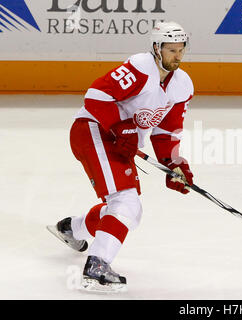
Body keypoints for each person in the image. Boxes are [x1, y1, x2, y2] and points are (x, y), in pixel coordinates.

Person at [47, 21, 194, 293]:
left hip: (118, 141)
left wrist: (174, 164)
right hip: (93, 130)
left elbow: (166, 132)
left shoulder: (182, 85)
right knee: (125, 202)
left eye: (181, 50)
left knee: (129, 210)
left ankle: (72, 229)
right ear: (156, 48)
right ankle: (97, 266)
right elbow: (96, 95)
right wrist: (120, 126)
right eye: (171, 49)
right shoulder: (140, 66)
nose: (177, 55)